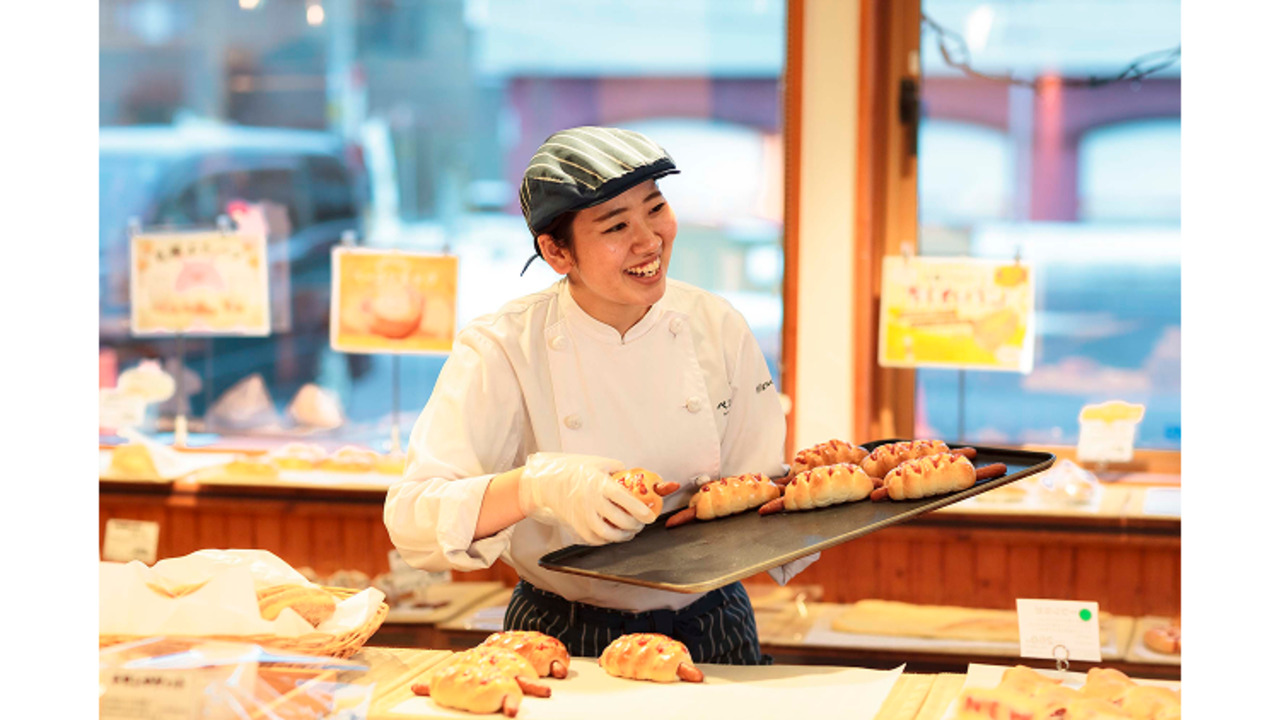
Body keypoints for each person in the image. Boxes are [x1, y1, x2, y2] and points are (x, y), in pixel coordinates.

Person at [384, 126, 816, 664]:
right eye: (616, 225)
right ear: (556, 252)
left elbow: (757, 487)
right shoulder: (503, 346)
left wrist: (808, 514)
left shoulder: (716, 325)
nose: (649, 240)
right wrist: (535, 488)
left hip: (711, 624)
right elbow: (412, 515)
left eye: (655, 208)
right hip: (562, 630)